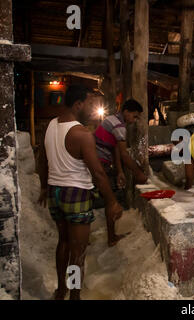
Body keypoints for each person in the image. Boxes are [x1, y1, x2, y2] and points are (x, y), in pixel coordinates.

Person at [37, 85, 123, 300]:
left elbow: (42, 159)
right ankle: (74, 295)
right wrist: (112, 201)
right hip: (76, 194)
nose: (92, 110)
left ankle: (60, 290)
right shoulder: (82, 134)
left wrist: (44, 187)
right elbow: (98, 173)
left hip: (56, 193)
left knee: (63, 242)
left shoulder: (50, 125)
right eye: (89, 105)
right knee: (78, 252)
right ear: (78, 105)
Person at [94, 99, 148, 239]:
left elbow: (116, 149)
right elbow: (124, 154)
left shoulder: (113, 120)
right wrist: (138, 173)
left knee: (108, 199)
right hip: (99, 164)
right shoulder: (119, 126)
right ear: (126, 112)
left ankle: (111, 235)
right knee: (110, 200)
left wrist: (120, 171)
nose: (134, 120)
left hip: (100, 162)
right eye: (134, 116)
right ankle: (111, 237)